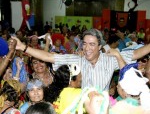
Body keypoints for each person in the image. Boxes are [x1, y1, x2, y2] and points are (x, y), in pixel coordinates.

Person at [12, 28, 150, 90]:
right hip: (82, 110)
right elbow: (49, 56)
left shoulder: (110, 59)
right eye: (84, 43)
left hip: (104, 111)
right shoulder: (77, 59)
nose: (87, 48)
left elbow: (137, 53)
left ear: (100, 46)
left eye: (92, 44)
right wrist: (23, 47)